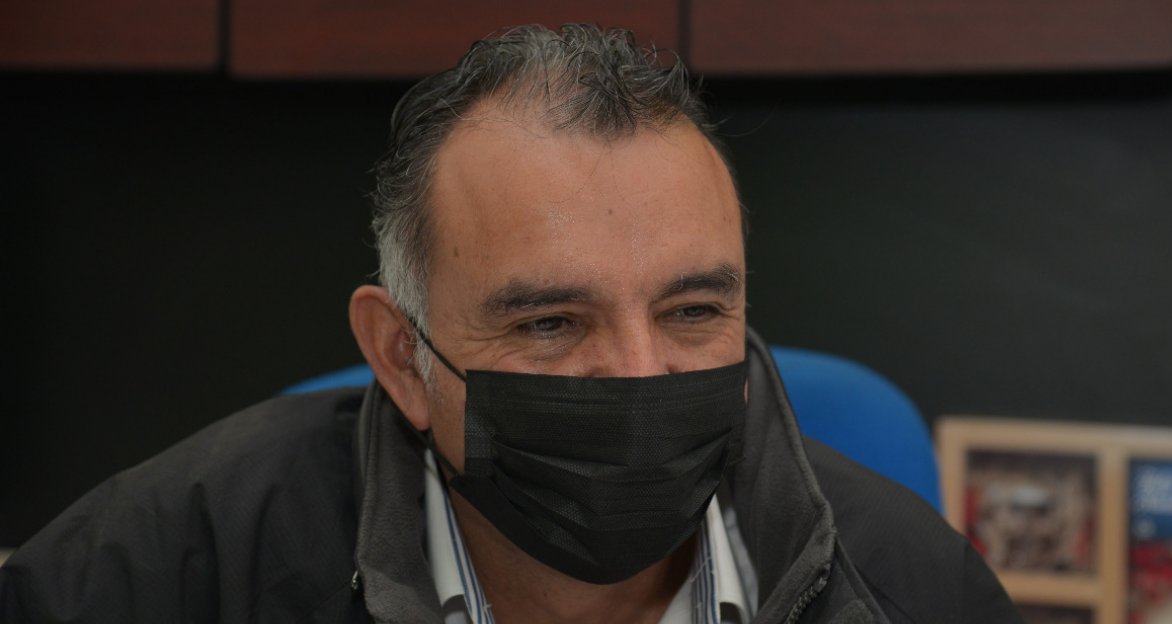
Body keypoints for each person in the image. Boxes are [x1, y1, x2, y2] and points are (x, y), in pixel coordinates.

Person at [0, 24, 1021, 623]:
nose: (637, 373)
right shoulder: (169, 569)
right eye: (548, 323)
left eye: (692, 310)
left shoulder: (916, 590)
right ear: (402, 356)